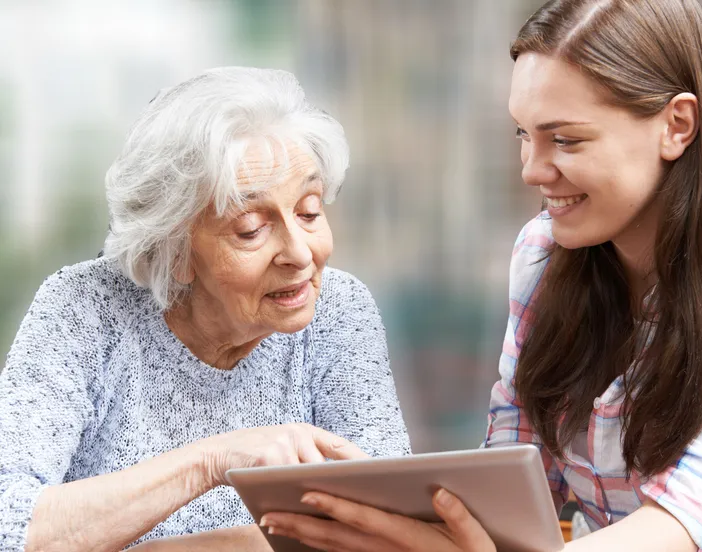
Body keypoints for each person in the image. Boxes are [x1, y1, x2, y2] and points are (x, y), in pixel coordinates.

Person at [257, 1, 702, 550]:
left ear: (676, 125)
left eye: (565, 140)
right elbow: (512, 481)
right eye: (523, 135)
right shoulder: (542, 252)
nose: (532, 170)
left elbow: (694, 516)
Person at [0, 67, 410, 551]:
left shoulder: (337, 310)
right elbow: (11, 525)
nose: (300, 253)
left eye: (309, 211)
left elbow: (388, 526)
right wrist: (212, 461)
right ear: (175, 251)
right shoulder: (84, 309)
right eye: (251, 229)